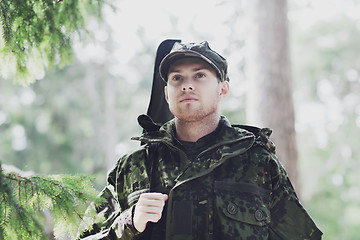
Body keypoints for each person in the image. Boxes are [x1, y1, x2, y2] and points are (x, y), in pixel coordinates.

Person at [78, 41, 322, 239]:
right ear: (166, 93)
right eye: (177, 78)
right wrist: (129, 222)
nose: (187, 86)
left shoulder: (257, 163)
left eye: (200, 76)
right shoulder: (134, 166)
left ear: (222, 89)